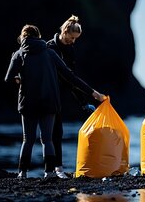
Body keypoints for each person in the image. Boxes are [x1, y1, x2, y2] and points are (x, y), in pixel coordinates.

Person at [4, 25, 105, 179]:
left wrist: (19, 79)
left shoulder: (19, 54)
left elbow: (7, 79)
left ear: (23, 37)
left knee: (28, 139)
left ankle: (22, 173)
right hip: (49, 102)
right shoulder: (50, 52)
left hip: (28, 103)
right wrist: (93, 93)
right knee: (47, 139)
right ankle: (49, 172)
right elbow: (70, 77)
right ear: (38, 36)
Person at [46, 15, 103, 179]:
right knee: (47, 134)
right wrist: (91, 93)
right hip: (46, 92)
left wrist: (83, 102)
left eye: (76, 39)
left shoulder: (69, 49)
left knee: (57, 132)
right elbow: (66, 76)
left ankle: (58, 169)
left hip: (59, 93)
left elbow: (71, 77)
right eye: (71, 38)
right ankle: (48, 170)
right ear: (64, 32)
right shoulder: (49, 48)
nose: (73, 41)